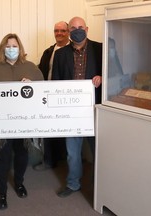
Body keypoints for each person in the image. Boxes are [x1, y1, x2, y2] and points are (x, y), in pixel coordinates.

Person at [0, 33, 43, 210]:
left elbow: (44, 91)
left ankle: (19, 183)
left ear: (20, 48)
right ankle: (2, 192)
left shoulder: (31, 67)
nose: (11, 49)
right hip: (1, 124)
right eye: (8, 46)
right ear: (2, 49)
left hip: (24, 122)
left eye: (14, 46)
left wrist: (33, 86)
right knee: (1, 157)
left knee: (22, 154)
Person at [52, 17, 102, 197]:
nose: (77, 30)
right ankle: (73, 184)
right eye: (73, 28)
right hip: (71, 111)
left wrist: (102, 78)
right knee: (72, 152)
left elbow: (116, 75)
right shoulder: (60, 54)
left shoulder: (100, 49)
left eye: (80, 27)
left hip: (96, 109)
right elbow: (55, 83)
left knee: (99, 149)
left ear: (87, 29)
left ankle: (100, 185)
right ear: (69, 31)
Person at [33, 21, 69, 171]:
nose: (59, 33)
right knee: (47, 128)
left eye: (62, 30)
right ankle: (48, 160)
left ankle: (65, 161)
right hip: (47, 96)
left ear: (68, 32)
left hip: (65, 97)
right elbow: (41, 72)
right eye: (56, 30)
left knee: (66, 130)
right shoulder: (48, 52)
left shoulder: (73, 51)